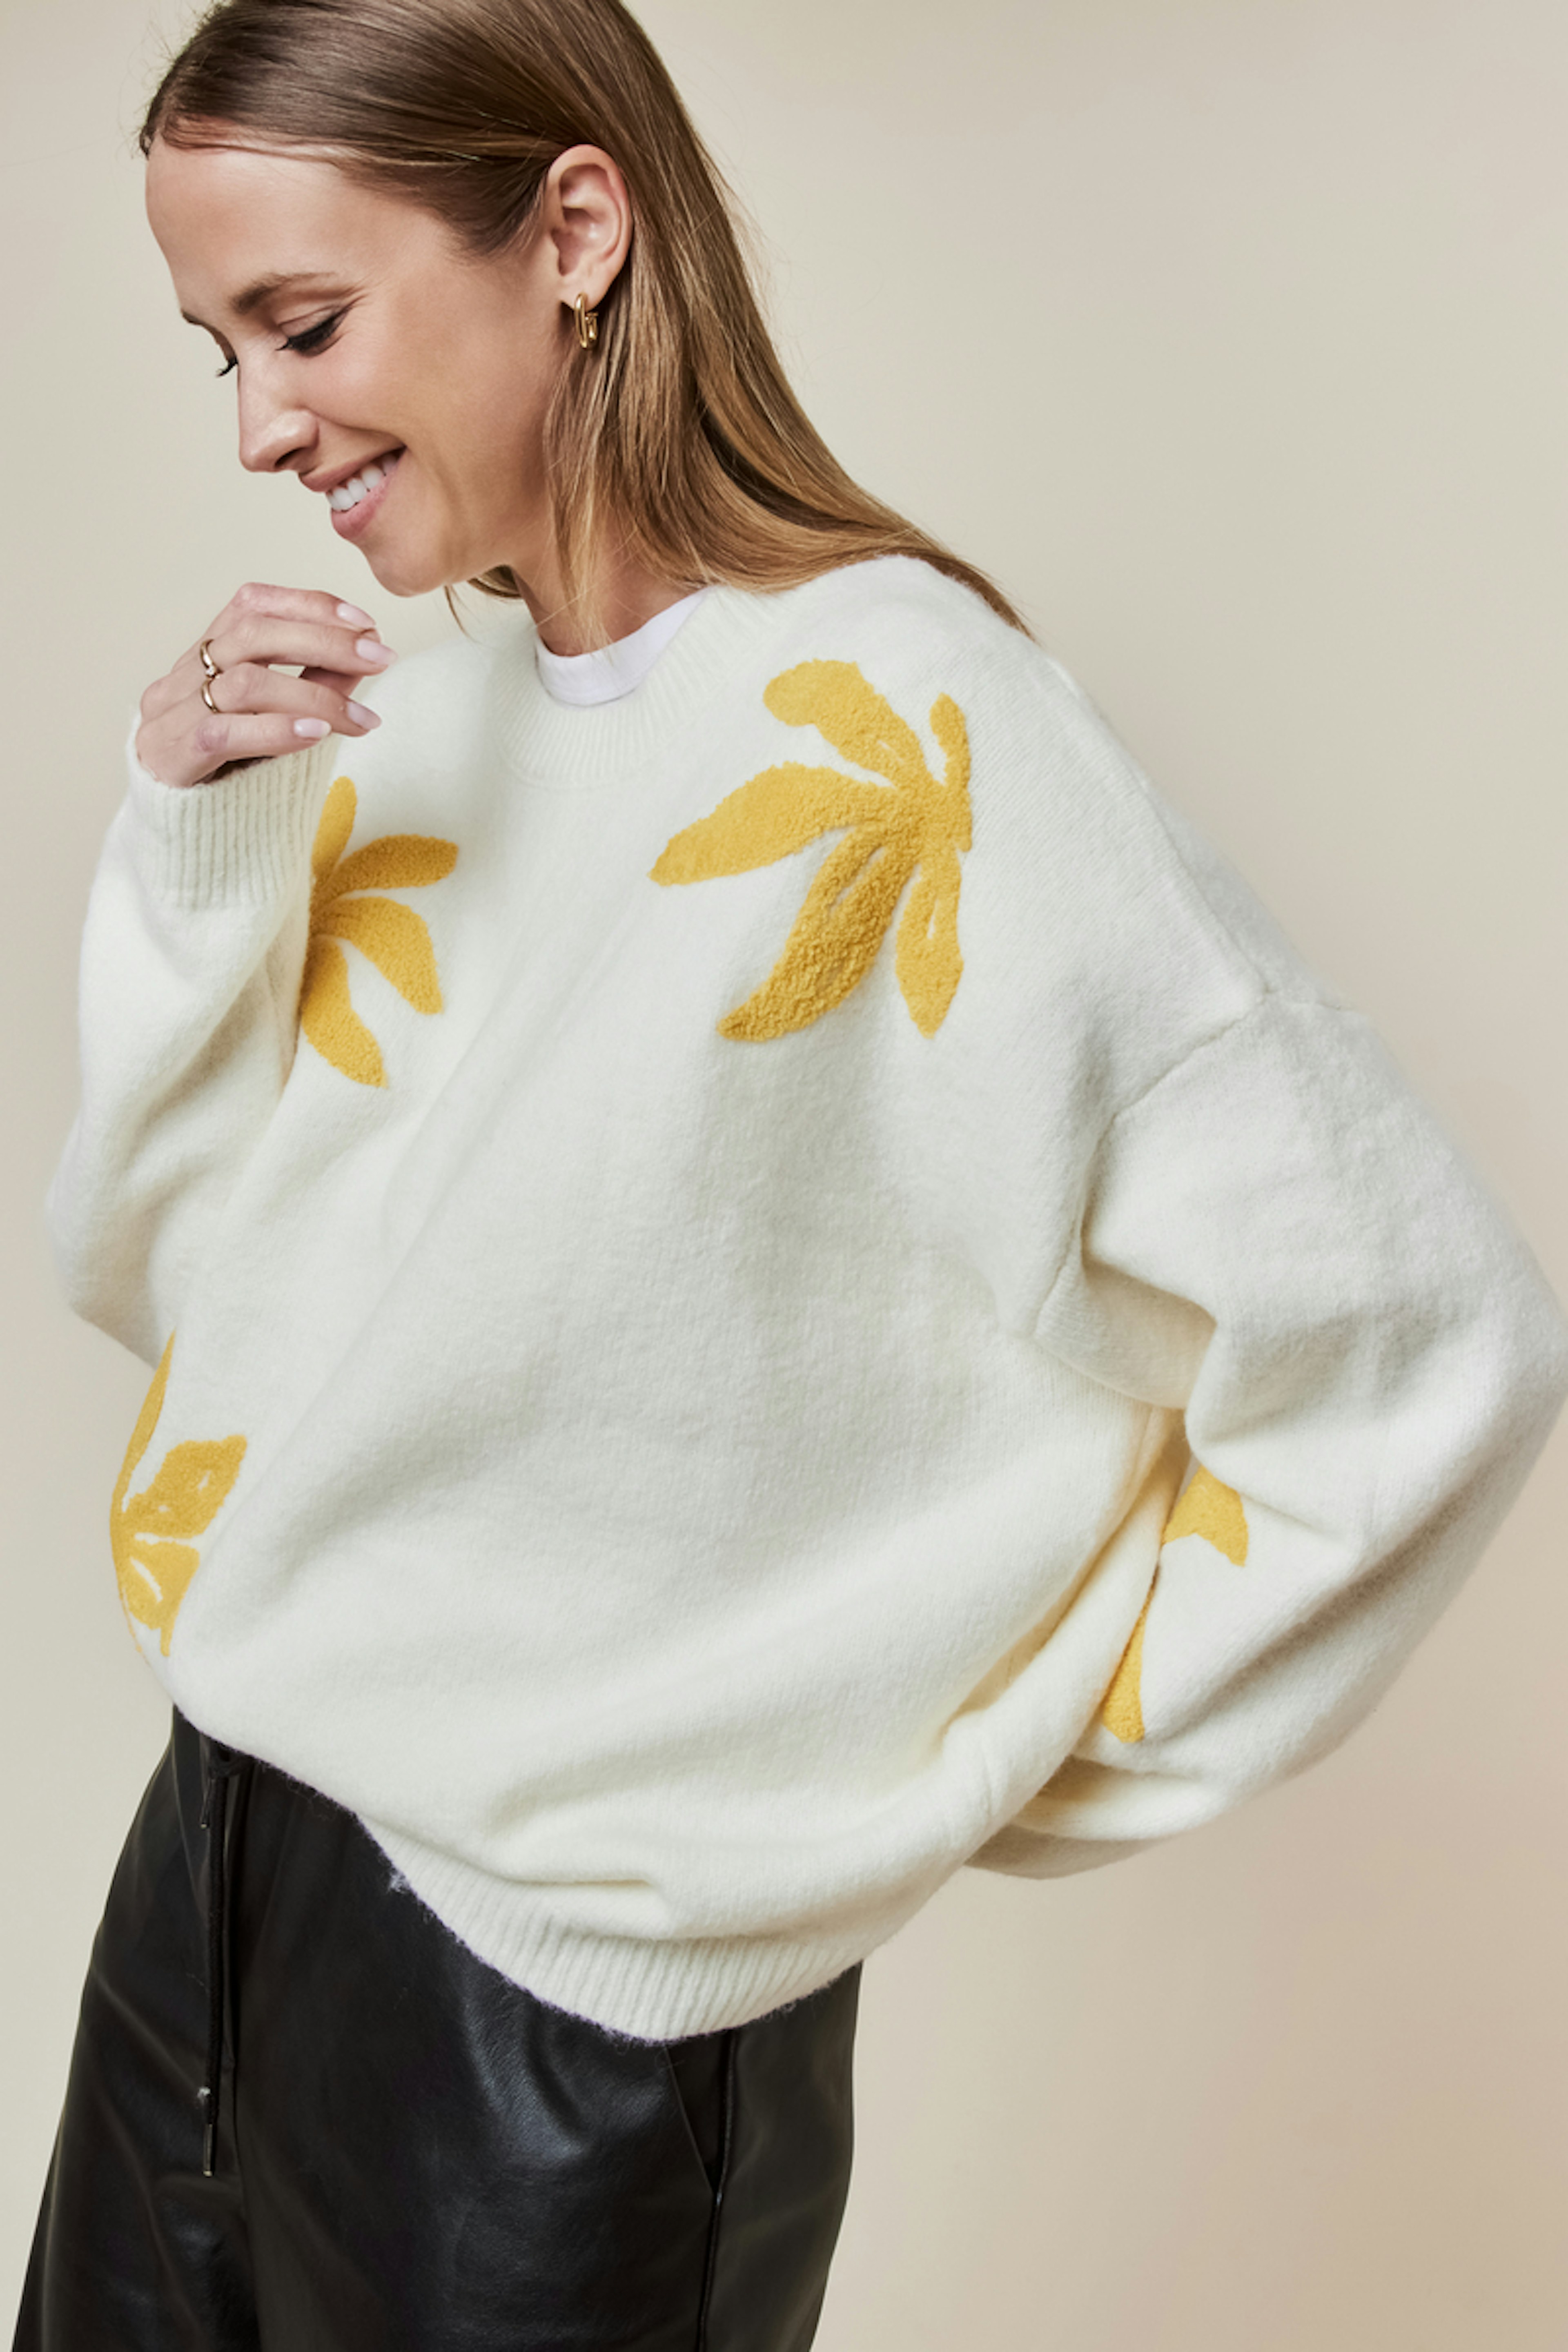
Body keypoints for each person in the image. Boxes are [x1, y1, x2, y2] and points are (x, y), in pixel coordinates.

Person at [16, 0, 1568, 2345]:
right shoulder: (409, 729)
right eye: (219, 350)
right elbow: (163, 1278)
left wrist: (927, 1770)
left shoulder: (911, 731)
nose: (259, 425)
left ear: (575, 231)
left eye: (304, 325)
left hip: (556, 2049)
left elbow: (1424, 1344)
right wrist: (197, 843)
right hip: (206, 1896)